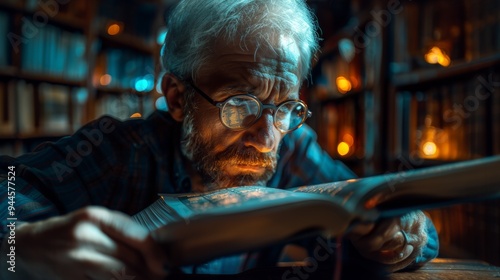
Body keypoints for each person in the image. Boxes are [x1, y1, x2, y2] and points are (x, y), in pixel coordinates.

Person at [0, 0, 438, 279]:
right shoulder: (117, 150)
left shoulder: (295, 152)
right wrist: (17, 248)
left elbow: (374, 215)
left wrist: (401, 231)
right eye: (241, 104)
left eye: (284, 108)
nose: (267, 140)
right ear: (177, 96)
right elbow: (12, 192)